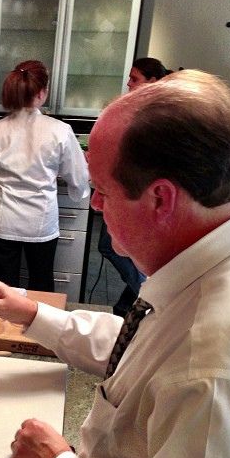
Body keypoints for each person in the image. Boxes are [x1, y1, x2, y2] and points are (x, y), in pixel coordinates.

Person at [0, 70, 230, 458]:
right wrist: (32, 314)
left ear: (161, 199)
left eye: (103, 191)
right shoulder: (198, 269)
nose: (94, 204)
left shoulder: (215, 352)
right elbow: (144, 351)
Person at [0, 60, 89, 291]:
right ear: (42, 93)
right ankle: (40, 327)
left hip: (3, 221)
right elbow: (79, 181)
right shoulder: (60, 131)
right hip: (41, 222)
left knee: (2, 287)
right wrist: (76, 192)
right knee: (41, 284)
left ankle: (0, 326)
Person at [99, 57, 172, 315]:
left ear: (153, 82)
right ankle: (128, 308)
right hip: (135, 194)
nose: (128, 84)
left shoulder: (157, 118)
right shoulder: (140, 113)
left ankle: (143, 289)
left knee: (111, 247)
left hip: (137, 197)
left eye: (134, 79)